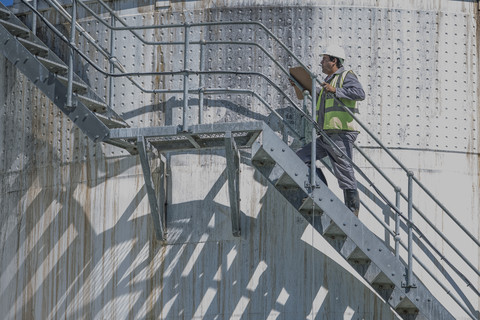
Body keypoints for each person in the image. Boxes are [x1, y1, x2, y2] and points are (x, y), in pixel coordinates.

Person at [293, 44, 365, 216]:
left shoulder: (346, 76)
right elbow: (308, 94)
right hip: (326, 134)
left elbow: (360, 93)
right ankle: (320, 193)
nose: (321, 62)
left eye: (324, 59)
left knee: (344, 171)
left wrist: (336, 90)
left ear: (334, 61)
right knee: (300, 157)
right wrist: (297, 84)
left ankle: (352, 210)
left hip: (341, 133)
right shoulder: (328, 83)